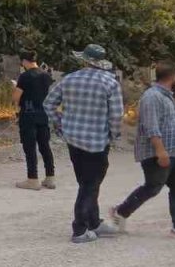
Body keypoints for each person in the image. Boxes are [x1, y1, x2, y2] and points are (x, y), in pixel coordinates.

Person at [109, 63, 175, 240]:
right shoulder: (152, 97)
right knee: (152, 187)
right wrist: (160, 151)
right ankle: (121, 211)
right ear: (174, 76)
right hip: (158, 152)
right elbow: (151, 127)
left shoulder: (166, 96)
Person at [44, 44, 125, 244]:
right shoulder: (110, 83)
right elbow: (116, 115)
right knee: (90, 185)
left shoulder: (69, 79)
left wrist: (60, 123)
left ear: (84, 60)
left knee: (86, 182)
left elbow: (48, 104)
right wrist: (113, 135)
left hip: (73, 139)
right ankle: (79, 229)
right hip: (97, 142)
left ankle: (94, 222)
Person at [13, 51, 56, 190]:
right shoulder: (46, 76)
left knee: (30, 148)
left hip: (28, 114)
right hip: (43, 114)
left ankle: (33, 179)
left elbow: (16, 97)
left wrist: (16, 108)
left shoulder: (25, 76)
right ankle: (50, 177)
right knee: (45, 146)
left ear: (24, 61)